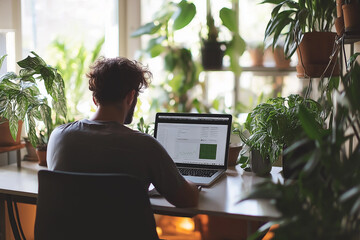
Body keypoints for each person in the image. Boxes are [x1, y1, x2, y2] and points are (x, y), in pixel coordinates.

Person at [47, 57, 199, 208]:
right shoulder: (144, 146)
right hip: (124, 233)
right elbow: (187, 200)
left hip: (69, 232)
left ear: (95, 99)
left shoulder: (59, 136)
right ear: (131, 96)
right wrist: (190, 183)